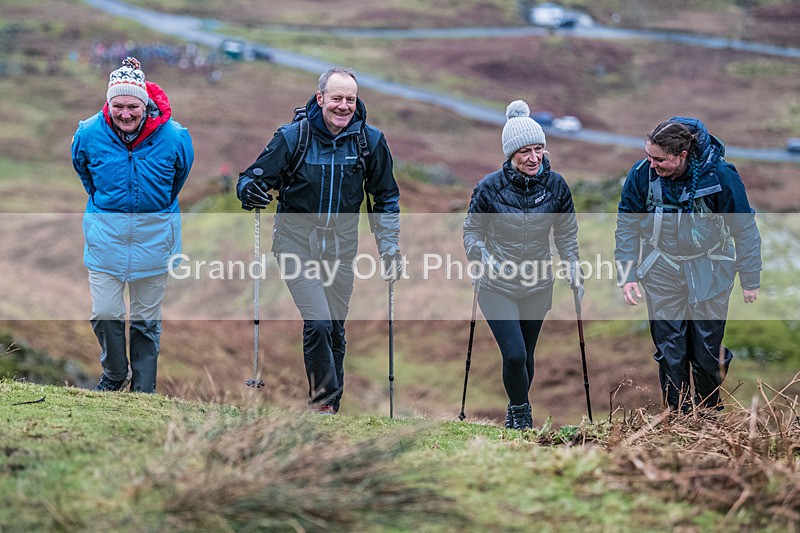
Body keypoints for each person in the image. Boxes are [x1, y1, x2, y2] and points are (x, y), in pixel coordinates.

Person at [237, 67, 401, 414]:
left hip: (342, 249)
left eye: (350, 100)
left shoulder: (370, 142)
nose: (343, 106)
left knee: (335, 329)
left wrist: (390, 246)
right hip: (295, 244)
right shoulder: (292, 138)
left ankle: (331, 408)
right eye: (337, 98)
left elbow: (385, 197)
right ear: (320, 98)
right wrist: (249, 190)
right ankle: (323, 404)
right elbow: (250, 179)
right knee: (318, 322)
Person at [615, 117, 761, 414]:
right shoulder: (643, 174)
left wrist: (750, 276)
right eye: (648, 156)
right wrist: (627, 273)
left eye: (659, 159)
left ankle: (707, 414)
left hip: (710, 271)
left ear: (682, 155)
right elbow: (627, 225)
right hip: (662, 270)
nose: (651, 164)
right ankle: (677, 417)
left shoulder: (721, 175)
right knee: (671, 352)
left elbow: (744, 228)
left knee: (706, 355)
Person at [71, 57, 194, 393]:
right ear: (108, 103)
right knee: (106, 312)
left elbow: (176, 182)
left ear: (145, 104)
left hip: (155, 241)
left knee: (145, 321)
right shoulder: (87, 133)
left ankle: (143, 389)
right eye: (118, 105)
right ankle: (114, 374)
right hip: (105, 239)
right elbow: (86, 175)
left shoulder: (175, 137)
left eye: (133, 106)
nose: (125, 114)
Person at [463, 100, 580, 430]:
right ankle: (521, 413)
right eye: (525, 151)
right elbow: (472, 230)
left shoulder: (556, 185)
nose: (533, 158)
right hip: (496, 284)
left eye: (539, 149)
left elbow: (566, 230)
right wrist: (482, 258)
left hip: (538, 283)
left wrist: (572, 263)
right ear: (511, 155)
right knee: (513, 354)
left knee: (526, 356)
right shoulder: (489, 188)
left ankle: (515, 413)